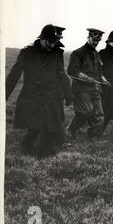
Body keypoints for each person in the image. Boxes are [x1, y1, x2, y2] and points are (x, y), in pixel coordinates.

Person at [6, 24, 72, 157]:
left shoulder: (56, 53)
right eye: (50, 42)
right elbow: (14, 74)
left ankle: (43, 154)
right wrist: (5, 94)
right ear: (42, 38)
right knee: (35, 126)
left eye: (55, 42)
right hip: (32, 96)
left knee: (50, 126)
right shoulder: (27, 53)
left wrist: (68, 93)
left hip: (50, 96)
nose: (52, 45)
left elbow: (61, 74)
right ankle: (27, 147)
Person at [66, 28, 109, 139]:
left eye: (97, 41)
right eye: (94, 40)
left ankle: (93, 137)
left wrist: (104, 80)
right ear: (88, 37)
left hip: (95, 89)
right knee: (85, 112)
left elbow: (100, 73)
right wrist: (87, 78)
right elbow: (72, 70)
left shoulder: (97, 55)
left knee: (99, 116)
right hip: (82, 89)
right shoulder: (78, 53)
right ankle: (71, 129)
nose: (95, 43)